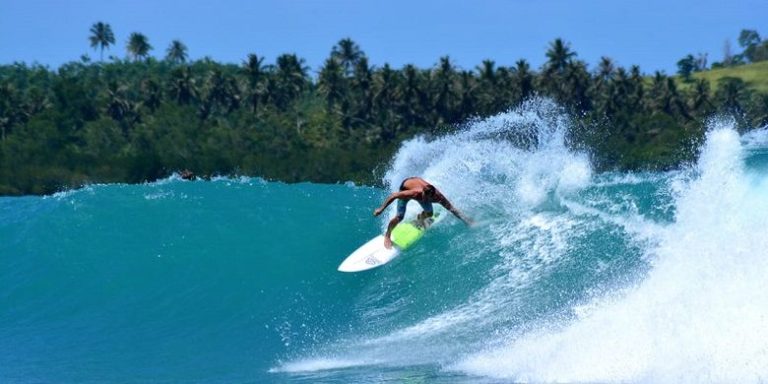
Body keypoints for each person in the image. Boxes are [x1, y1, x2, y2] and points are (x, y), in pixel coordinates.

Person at [373, 177, 473, 249]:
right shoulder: (416, 193)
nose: (424, 198)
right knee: (399, 217)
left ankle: (420, 218)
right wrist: (381, 209)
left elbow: (452, 209)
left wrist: (466, 220)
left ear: (433, 197)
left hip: (417, 184)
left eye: (426, 198)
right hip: (406, 187)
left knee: (429, 214)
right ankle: (387, 235)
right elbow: (394, 195)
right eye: (423, 196)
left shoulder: (439, 198)